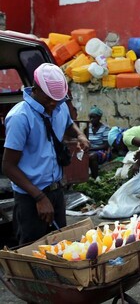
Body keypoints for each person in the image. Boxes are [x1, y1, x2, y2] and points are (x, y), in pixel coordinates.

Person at [2, 63, 89, 244]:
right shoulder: (20, 117)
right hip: (30, 197)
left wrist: (79, 135)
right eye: (49, 99)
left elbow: (68, 124)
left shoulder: (59, 105)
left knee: (61, 248)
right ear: (35, 89)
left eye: (57, 99)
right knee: (33, 253)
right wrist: (39, 198)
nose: (53, 103)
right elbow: (8, 166)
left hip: (56, 192)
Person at [87, 105, 110, 180]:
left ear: (99, 118)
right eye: (90, 117)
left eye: (94, 117)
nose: (91, 120)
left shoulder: (105, 128)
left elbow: (105, 146)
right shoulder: (88, 128)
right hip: (90, 150)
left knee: (93, 156)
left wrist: (91, 149)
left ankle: (96, 178)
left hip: (102, 152)